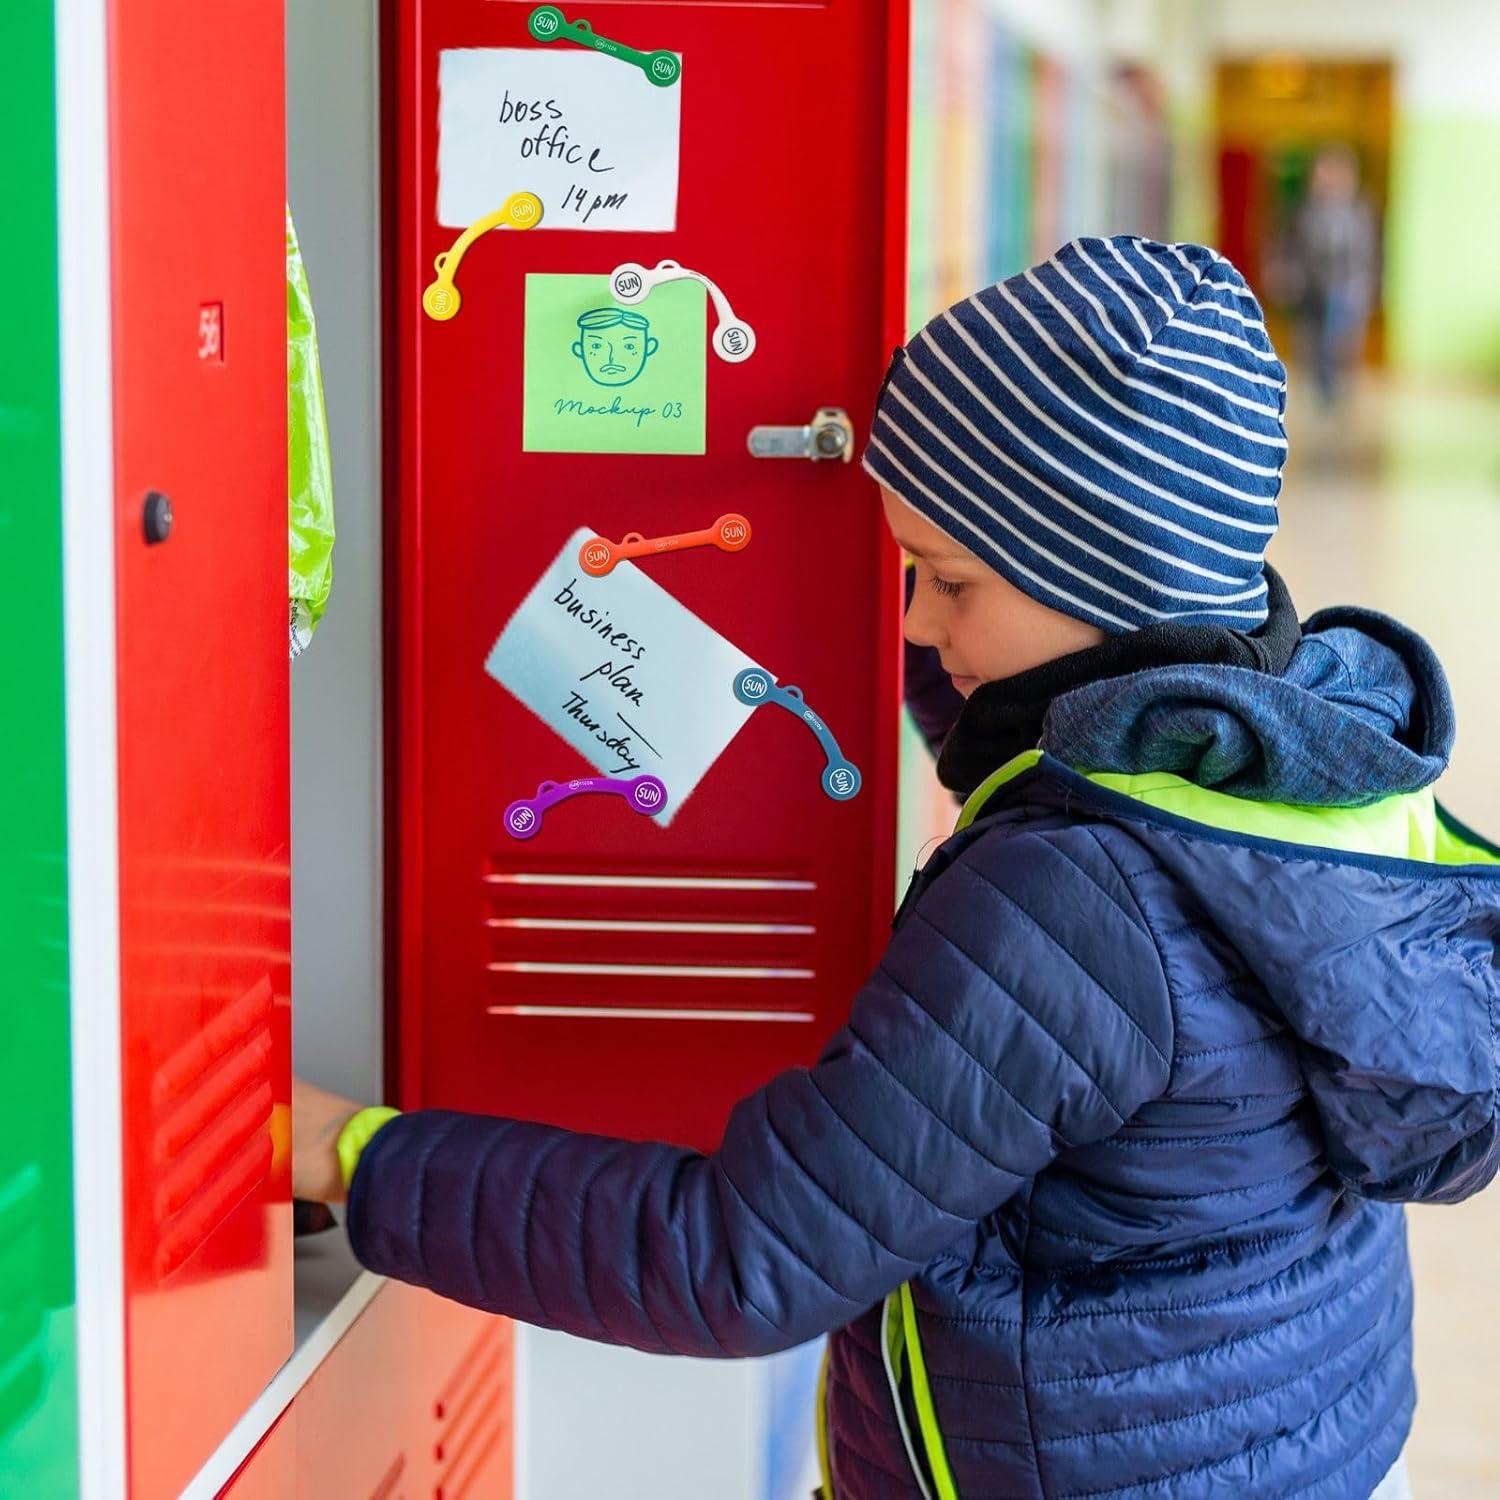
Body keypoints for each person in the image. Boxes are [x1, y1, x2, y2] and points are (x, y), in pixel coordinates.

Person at [296, 237, 1498, 1499]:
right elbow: (1034, 723)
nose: (913, 620)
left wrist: (354, 1154)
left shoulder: (1071, 904)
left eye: (945, 579)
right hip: (1291, 1443)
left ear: (1100, 580)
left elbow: (740, 1254)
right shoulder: (1296, 745)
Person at [1281, 145, 1379, 406]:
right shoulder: (1303, 211)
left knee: (1341, 348)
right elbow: (1291, 248)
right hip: (1311, 292)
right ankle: (1320, 399)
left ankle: (1339, 399)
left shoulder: (1360, 210)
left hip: (1347, 291)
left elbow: (1367, 253)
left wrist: (1365, 287)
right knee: (1313, 349)